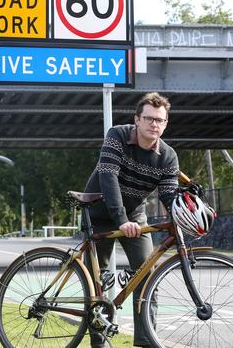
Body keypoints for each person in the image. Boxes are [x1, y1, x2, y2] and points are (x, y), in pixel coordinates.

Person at [83, 92, 179, 348]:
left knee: (147, 275)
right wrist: (120, 219)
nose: (154, 124)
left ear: (166, 123)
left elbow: (169, 195)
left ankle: (147, 342)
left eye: (160, 120)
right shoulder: (117, 136)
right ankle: (99, 344)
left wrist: (185, 215)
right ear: (137, 119)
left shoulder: (168, 156)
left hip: (134, 214)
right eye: (148, 118)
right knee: (97, 285)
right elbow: (108, 177)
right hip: (99, 212)